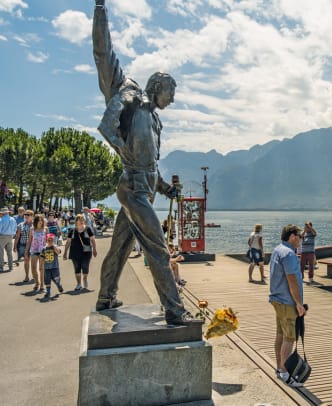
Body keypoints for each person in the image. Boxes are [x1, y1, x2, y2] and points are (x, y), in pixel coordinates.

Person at [92, 0, 192, 324]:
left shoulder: (154, 120)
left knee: (120, 248)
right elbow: (103, 55)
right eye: (171, 91)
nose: (173, 99)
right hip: (132, 188)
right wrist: (100, 9)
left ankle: (106, 297)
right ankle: (175, 312)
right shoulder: (130, 99)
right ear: (158, 86)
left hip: (144, 188)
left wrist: (165, 189)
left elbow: (152, 164)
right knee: (158, 249)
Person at [269, 224, 306, 387]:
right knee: (289, 337)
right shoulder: (289, 254)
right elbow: (292, 280)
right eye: (300, 236)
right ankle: (285, 373)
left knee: (280, 335)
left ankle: (279, 368)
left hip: (277, 299)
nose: (301, 240)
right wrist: (298, 303)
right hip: (287, 301)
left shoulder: (278, 249)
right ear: (292, 236)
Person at [63, 214, 97, 291]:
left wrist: (94, 249)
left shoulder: (88, 229)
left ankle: (85, 278)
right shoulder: (72, 231)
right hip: (74, 252)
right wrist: (65, 252)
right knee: (77, 268)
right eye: (79, 221)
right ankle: (78, 284)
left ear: (84, 221)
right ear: (76, 222)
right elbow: (68, 242)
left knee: (85, 267)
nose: (81, 222)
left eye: (82, 221)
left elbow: (92, 240)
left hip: (86, 252)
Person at [26, 214, 48, 291]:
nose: (40, 222)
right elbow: (29, 241)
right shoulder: (32, 229)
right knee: (33, 268)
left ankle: (42, 285)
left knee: (41, 268)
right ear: (35, 221)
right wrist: (26, 252)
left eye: (41, 220)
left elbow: (48, 240)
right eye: (38, 220)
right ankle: (37, 282)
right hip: (34, 250)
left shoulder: (45, 229)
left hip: (42, 250)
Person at [0, 207, 17, 273]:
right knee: (9, 252)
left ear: (3, 213)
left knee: (0, 252)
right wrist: (12, 235)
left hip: (2, 236)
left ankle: (0, 267)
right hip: (10, 236)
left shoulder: (1, 220)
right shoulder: (13, 219)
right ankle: (10, 267)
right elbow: (15, 228)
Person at [41, 233, 64, 300]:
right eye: (49, 240)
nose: (50, 241)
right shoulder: (44, 249)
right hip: (47, 268)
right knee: (47, 280)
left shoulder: (55, 247)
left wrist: (53, 246)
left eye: (52, 240)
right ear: (46, 240)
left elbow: (58, 252)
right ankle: (48, 292)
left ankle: (59, 285)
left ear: (54, 241)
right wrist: (41, 266)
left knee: (56, 279)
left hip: (54, 267)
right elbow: (42, 258)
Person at [14, 209, 33, 281]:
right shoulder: (20, 225)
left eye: (28, 215)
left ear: (32, 216)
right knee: (26, 260)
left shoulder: (35, 224)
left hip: (33, 245)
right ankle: (27, 276)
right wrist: (15, 246)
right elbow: (17, 236)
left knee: (34, 261)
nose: (26, 216)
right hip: (23, 245)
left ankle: (35, 275)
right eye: (25, 214)